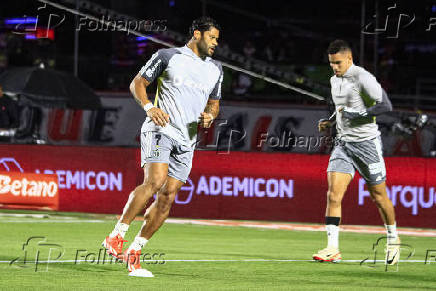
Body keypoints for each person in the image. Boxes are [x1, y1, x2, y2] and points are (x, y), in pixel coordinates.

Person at [102, 16, 223, 277]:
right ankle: (116, 235)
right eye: (212, 37)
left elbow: (214, 102)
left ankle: (134, 251)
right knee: (154, 182)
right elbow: (138, 83)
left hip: (188, 140)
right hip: (160, 129)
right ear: (197, 34)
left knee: (167, 198)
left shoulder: (216, 69)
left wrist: (210, 116)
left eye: (216, 39)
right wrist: (149, 107)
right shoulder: (167, 56)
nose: (215, 43)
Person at [313, 40, 400, 265]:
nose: (334, 67)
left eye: (338, 63)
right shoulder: (334, 80)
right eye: (331, 63)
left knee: (379, 197)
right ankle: (333, 248)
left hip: (367, 145)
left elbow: (385, 105)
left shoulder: (363, 78)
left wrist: (358, 116)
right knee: (333, 194)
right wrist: (330, 122)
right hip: (343, 144)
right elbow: (342, 109)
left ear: (349, 59)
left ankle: (393, 239)